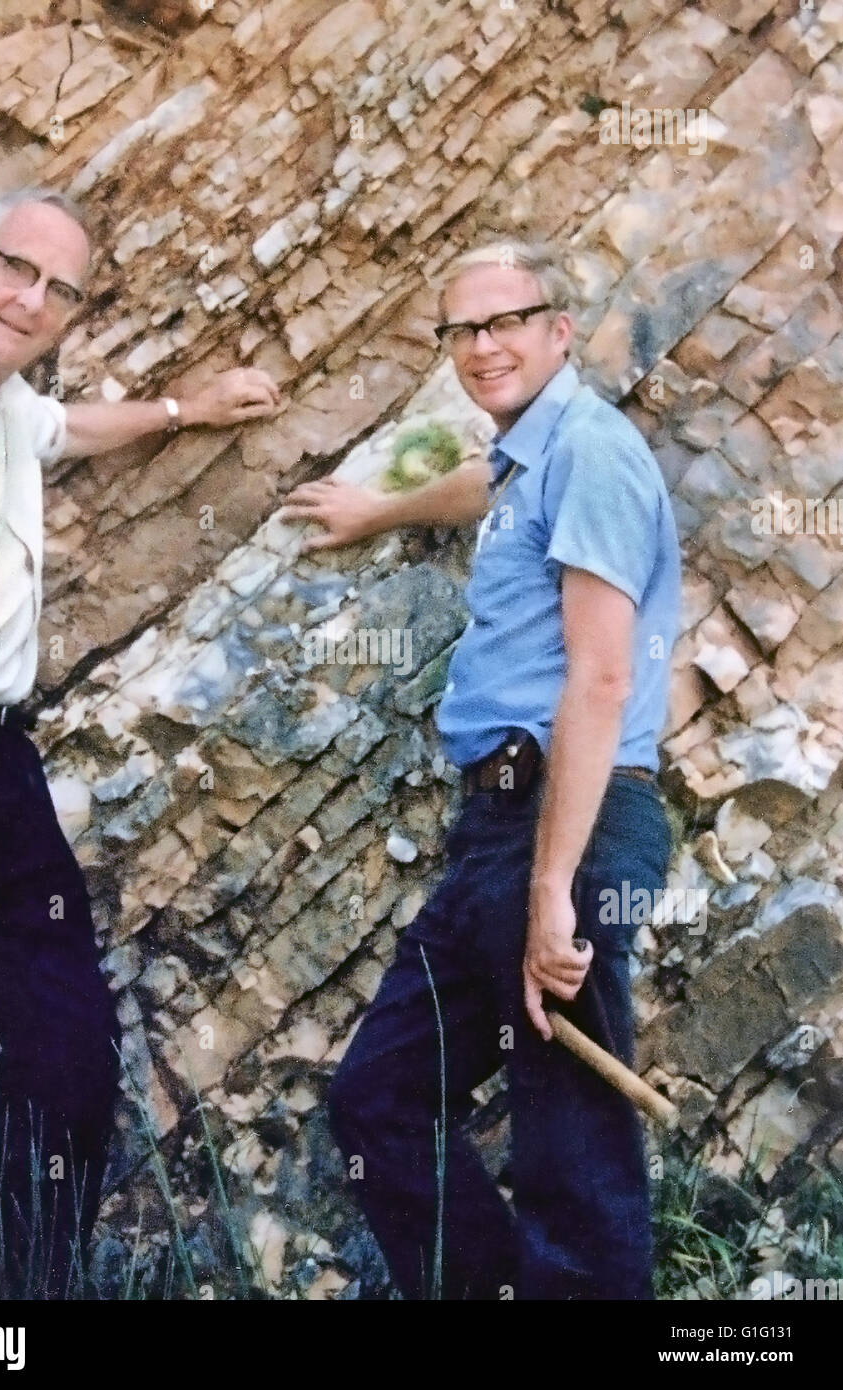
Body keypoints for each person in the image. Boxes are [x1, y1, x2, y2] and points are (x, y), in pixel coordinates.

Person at [0, 186, 282, 1297]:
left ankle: (10, 1292)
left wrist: (185, 409)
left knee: (69, 1058)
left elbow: (65, 429)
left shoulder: (3, 402)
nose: (34, 299)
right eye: (18, 269)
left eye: (60, 289)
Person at [289, 241, 681, 1299]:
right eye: (463, 328)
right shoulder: (534, 458)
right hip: (498, 831)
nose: (484, 345)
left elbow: (600, 678)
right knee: (381, 1097)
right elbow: (488, 491)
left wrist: (554, 889)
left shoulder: (592, 452)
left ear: (561, 330)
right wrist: (378, 508)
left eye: (510, 320)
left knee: (570, 1155)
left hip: (568, 818)